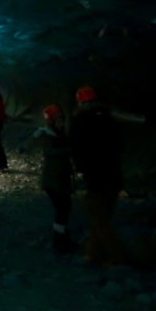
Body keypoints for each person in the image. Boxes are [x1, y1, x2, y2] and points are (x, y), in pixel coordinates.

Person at [70, 85, 124, 266]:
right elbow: (119, 146)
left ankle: (115, 257)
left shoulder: (80, 121)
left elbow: (76, 149)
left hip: (95, 176)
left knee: (98, 217)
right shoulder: (110, 119)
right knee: (102, 215)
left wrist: (79, 170)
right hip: (114, 175)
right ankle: (92, 253)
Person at [33, 104, 74, 253]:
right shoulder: (48, 135)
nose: (62, 121)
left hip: (59, 177)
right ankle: (60, 242)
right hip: (54, 179)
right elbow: (49, 152)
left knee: (64, 208)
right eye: (59, 118)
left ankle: (61, 239)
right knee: (62, 209)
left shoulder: (58, 133)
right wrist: (70, 149)